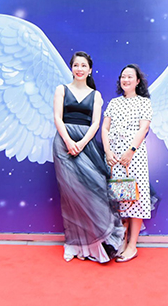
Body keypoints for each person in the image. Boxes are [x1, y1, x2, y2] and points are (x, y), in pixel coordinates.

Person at [52, 52, 125, 263]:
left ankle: (96, 244)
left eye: (83, 65)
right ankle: (72, 244)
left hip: (87, 145)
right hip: (63, 145)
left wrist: (81, 143)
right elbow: (57, 117)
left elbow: (95, 124)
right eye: (76, 65)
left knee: (93, 191)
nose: (79, 69)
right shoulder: (61, 89)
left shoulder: (96, 95)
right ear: (71, 68)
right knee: (71, 195)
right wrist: (68, 142)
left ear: (90, 69)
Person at [102, 64, 152, 263]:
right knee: (121, 199)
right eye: (123, 76)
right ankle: (122, 241)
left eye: (130, 76)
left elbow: (143, 129)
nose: (126, 80)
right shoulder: (114, 103)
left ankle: (132, 245)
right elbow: (105, 128)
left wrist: (130, 151)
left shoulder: (144, 103)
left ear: (137, 81)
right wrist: (108, 151)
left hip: (134, 157)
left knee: (136, 200)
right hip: (114, 157)